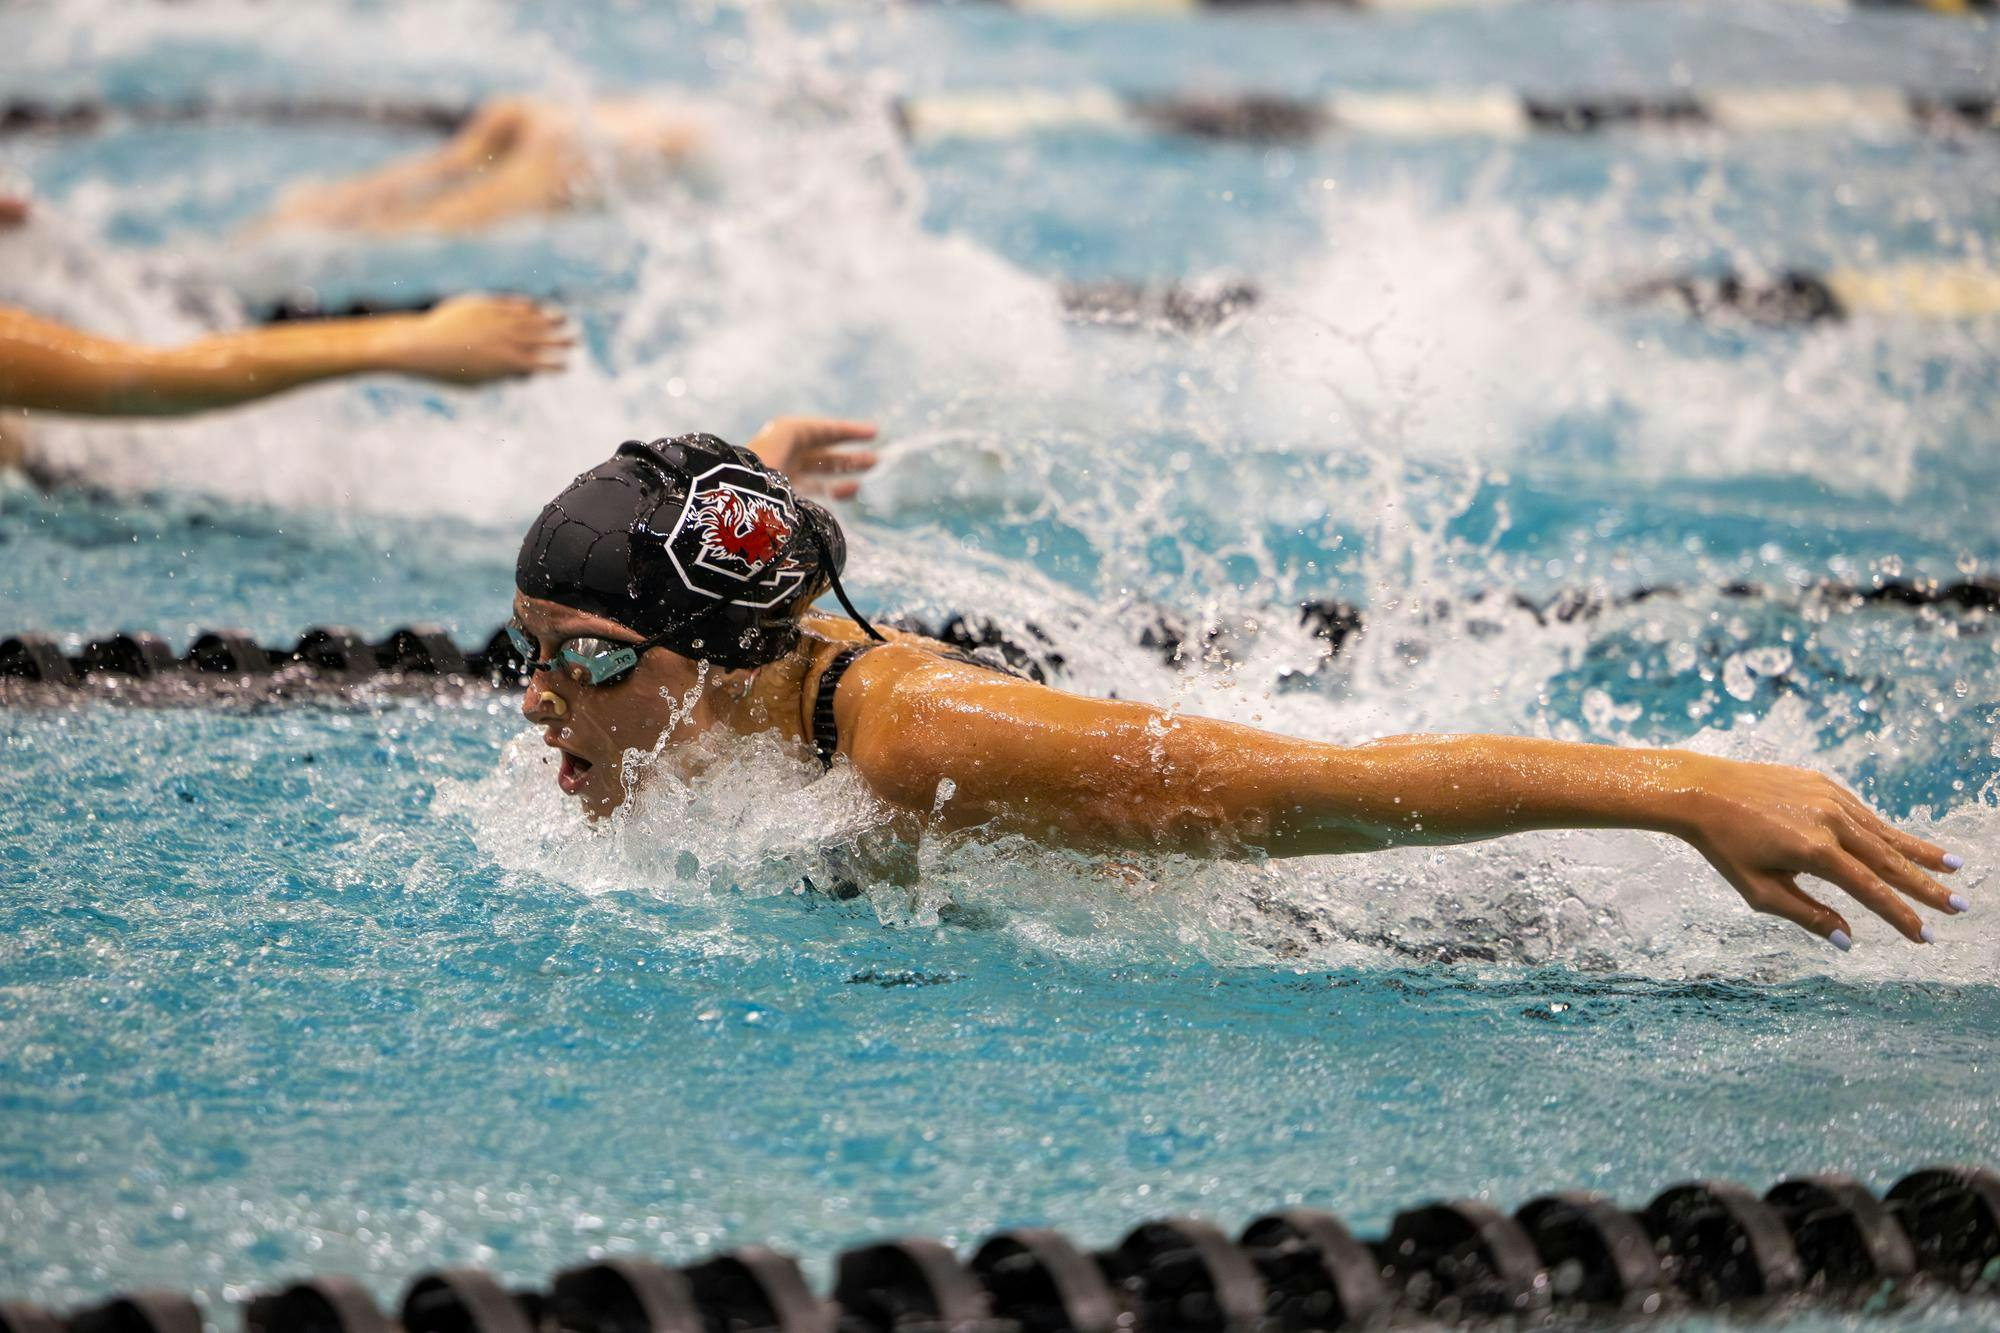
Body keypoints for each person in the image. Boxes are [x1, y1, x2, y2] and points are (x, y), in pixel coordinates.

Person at [510, 420, 1970, 951]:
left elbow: (1322, 788)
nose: (535, 703)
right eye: (528, 651)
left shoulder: (926, 739)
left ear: (720, 657)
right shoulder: (731, 679)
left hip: (1408, 925)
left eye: (582, 661)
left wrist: (1690, 792)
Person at [263, 95, 703, 234]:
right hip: (601, 142)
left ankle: (283, 223)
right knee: (415, 228)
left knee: (313, 220)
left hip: (566, 114)